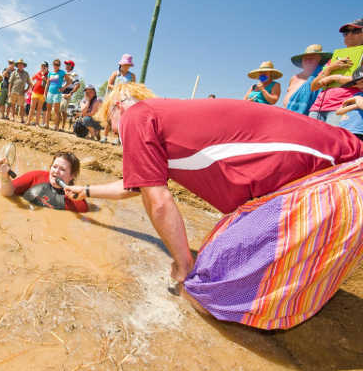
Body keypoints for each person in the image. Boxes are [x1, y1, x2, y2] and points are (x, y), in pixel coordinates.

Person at [64, 82, 363, 330]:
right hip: (337, 180)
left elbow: (158, 201)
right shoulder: (167, 120)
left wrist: (183, 263)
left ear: (118, 106)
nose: (116, 136)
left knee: (202, 292)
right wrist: (86, 190)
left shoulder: (136, 116)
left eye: (112, 128)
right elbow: (137, 185)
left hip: (332, 188)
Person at [309, 18, 363, 126]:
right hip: (318, 107)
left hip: (342, 106)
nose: (349, 35)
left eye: (355, 31)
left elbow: (360, 81)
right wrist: (330, 68)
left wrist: (333, 78)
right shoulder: (333, 59)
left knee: (333, 141)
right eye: (346, 32)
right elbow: (313, 86)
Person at [0, 151, 88, 212]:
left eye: (62, 169)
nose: (56, 171)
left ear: (72, 176)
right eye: (54, 166)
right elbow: (7, 193)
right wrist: (4, 175)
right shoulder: (35, 176)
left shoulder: (77, 202)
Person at [284, 44, 332, 114]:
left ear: (319, 60)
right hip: (288, 113)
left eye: (312, 57)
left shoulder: (324, 76)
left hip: (309, 118)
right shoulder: (294, 78)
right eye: (305, 57)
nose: (308, 59)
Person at [103, 54, 136, 144]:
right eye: (125, 64)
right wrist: (117, 87)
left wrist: (126, 90)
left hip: (124, 99)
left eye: (128, 65)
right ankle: (105, 136)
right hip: (114, 97)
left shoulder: (132, 76)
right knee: (109, 117)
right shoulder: (115, 73)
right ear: (121, 64)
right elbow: (109, 84)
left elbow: (133, 88)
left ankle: (117, 138)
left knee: (121, 118)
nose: (127, 66)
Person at [336, 66, 363, 140]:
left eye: (362, 82)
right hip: (344, 129)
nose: (360, 85)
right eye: (357, 83)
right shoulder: (357, 95)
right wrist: (356, 102)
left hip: (359, 132)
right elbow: (338, 111)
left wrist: (356, 102)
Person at [43, 59, 69, 130]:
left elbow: (69, 81)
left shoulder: (62, 72)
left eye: (57, 65)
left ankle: (56, 126)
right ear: (53, 65)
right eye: (55, 64)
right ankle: (46, 124)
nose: (56, 66)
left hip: (57, 93)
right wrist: (45, 93)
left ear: (59, 66)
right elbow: (47, 84)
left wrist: (63, 88)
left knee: (56, 111)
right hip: (50, 93)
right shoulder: (50, 73)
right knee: (48, 109)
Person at [7, 59, 33, 123]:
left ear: (23, 66)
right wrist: (9, 91)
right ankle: (12, 116)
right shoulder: (14, 72)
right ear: (17, 65)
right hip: (14, 91)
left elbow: (30, 83)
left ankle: (22, 119)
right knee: (12, 105)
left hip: (21, 92)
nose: (20, 66)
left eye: (22, 64)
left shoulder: (26, 73)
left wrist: (26, 90)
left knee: (21, 106)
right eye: (19, 64)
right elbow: (10, 82)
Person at [60, 60, 81, 131]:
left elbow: (77, 85)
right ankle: (57, 125)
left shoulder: (74, 74)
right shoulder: (63, 73)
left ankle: (62, 126)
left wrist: (70, 93)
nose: (66, 65)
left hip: (67, 93)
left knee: (62, 109)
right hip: (59, 93)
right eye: (66, 64)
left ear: (71, 66)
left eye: (68, 64)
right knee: (58, 109)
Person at [27, 61, 48, 126]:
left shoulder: (48, 74)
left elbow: (49, 83)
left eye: (44, 66)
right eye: (42, 66)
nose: (43, 67)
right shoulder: (38, 73)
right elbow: (31, 78)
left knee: (39, 109)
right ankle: (28, 121)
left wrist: (45, 79)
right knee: (32, 107)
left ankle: (37, 123)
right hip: (35, 92)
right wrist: (32, 84)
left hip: (42, 94)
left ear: (47, 67)